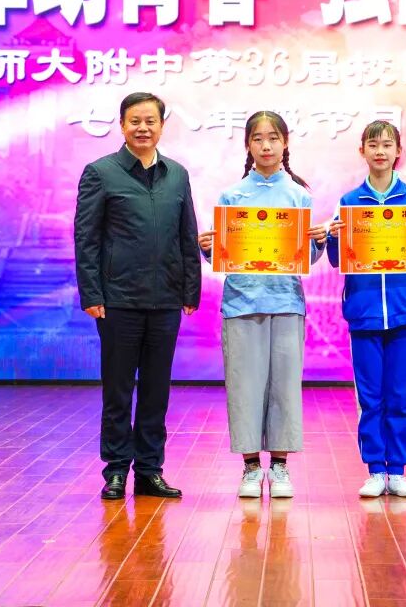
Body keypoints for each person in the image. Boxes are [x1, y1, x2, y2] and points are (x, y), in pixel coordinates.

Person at [74, 92, 201, 500]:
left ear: (162, 125)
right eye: (135, 121)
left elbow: (187, 235)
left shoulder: (177, 174)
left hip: (165, 300)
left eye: (150, 121)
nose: (143, 128)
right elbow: (86, 239)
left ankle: (149, 470)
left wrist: (190, 288)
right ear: (122, 125)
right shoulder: (101, 173)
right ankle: (115, 470)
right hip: (117, 301)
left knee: (156, 390)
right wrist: (92, 292)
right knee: (118, 389)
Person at [197, 111, 329, 499]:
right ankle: (252, 467)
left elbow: (306, 258)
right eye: (258, 138)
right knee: (245, 385)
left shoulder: (299, 195)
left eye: (273, 138)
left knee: (285, 386)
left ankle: (281, 466)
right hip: (241, 302)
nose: (266, 146)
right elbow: (224, 257)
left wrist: (318, 242)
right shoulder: (232, 197)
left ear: (285, 143)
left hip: (286, 301)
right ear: (248, 145)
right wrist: (208, 249)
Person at [325, 120, 406, 498]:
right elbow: (338, 260)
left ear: (399, 151)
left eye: (387, 145)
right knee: (370, 398)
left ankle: (397, 470)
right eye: (373, 144)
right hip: (364, 312)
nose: (380, 151)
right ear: (362, 151)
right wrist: (333, 237)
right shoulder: (349, 203)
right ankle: (374, 469)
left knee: (400, 395)